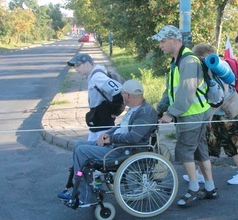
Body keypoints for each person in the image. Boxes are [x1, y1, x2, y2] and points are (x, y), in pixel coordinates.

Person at [67, 80, 158, 208]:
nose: (121, 96)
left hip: (125, 150)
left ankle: (87, 196)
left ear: (127, 96)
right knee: (79, 145)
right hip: (119, 145)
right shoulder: (134, 109)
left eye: (122, 94)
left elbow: (133, 138)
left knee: (81, 151)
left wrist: (111, 139)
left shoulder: (145, 113)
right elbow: (121, 126)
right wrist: (107, 134)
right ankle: (79, 189)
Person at [154, 25, 219, 207]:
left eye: (163, 41)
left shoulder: (188, 61)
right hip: (195, 114)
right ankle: (210, 188)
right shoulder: (178, 60)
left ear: (174, 40)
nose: (160, 45)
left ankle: (194, 189)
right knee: (200, 151)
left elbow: (187, 92)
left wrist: (170, 114)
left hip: (191, 115)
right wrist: (160, 108)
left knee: (184, 151)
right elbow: (171, 90)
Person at [191, 43, 238, 185]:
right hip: (219, 112)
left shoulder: (217, 67)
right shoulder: (214, 65)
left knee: (232, 144)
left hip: (226, 112)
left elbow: (222, 93)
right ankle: (200, 173)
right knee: (208, 143)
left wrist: (210, 114)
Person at [67, 53, 123, 143]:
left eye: (78, 65)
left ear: (88, 64)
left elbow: (119, 90)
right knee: (89, 147)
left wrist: (116, 111)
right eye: (74, 66)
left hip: (103, 120)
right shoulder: (92, 76)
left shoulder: (97, 77)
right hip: (98, 119)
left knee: (98, 149)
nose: (76, 69)